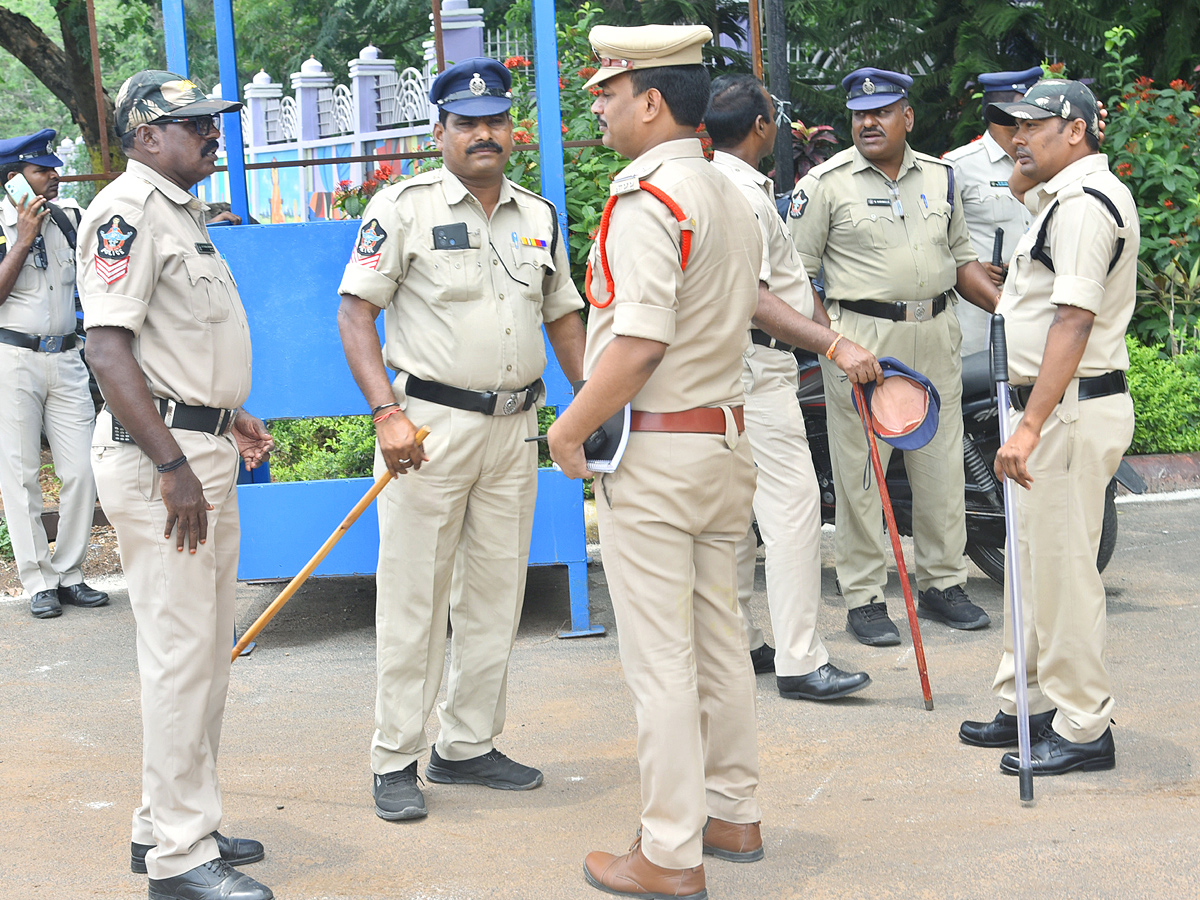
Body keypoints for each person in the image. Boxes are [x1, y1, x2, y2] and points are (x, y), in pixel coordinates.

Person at [336, 57, 586, 823]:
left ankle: (466, 746)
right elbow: (354, 314)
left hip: (515, 429)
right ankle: (395, 757)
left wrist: (596, 405)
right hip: (428, 432)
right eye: (467, 124)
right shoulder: (403, 208)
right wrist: (386, 414)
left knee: (494, 594)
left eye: (495, 121)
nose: (485, 135)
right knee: (413, 597)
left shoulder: (537, 215)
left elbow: (563, 315)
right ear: (440, 132)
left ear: (512, 129)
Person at [548, 24, 764, 898]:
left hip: (661, 448)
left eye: (609, 90)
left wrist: (569, 430)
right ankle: (733, 812)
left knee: (661, 660)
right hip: (723, 440)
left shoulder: (649, 199)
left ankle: (670, 854)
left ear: (650, 101)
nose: (596, 103)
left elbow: (635, 346)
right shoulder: (724, 189)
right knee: (719, 639)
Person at [78, 71, 274, 900]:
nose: (211, 135)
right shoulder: (125, 211)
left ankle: (169, 818)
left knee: (198, 654)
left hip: (199, 446)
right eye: (194, 124)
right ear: (146, 135)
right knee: (182, 657)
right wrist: (172, 464)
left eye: (211, 122)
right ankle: (181, 860)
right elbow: (107, 350)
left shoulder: (178, 213)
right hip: (165, 464)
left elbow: (176, 348)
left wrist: (231, 414)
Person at [960, 80, 1137, 775]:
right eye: (1014, 126)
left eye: (1035, 126)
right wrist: (1025, 172)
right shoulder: (1059, 199)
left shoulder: (1087, 207)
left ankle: (1085, 722)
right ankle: (1029, 702)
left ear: (1079, 131)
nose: (1018, 137)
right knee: (1029, 571)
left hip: (1065, 410)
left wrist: (1029, 425)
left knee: (1062, 574)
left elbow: (1073, 319)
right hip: (1050, 407)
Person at [788, 68, 1001, 647]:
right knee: (862, 475)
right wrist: (832, 339)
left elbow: (961, 261)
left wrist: (1008, 306)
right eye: (860, 113)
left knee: (941, 466)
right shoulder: (826, 184)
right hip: (863, 341)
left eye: (882, 111)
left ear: (907, 117)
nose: (868, 122)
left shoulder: (941, 177)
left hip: (935, 332)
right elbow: (797, 274)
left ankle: (942, 583)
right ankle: (864, 594)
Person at [706, 74, 877, 701]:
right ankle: (802, 661)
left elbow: (787, 288)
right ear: (762, 127)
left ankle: (743, 641)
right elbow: (753, 297)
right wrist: (832, 343)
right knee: (795, 511)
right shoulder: (744, 194)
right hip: (758, 370)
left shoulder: (711, 183)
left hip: (732, 371)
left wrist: (827, 336)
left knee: (732, 519)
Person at [0, 129, 107, 619]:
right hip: (13, 360)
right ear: (13, 179)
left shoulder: (70, 218)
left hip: (67, 359)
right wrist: (21, 239)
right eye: (42, 170)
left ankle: (69, 572)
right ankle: (37, 581)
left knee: (83, 470)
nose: (54, 176)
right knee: (19, 475)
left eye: (52, 167)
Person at [942, 67, 1042, 355]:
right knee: (979, 393)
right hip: (978, 313)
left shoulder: (1045, 164)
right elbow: (933, 239)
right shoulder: (958, 166)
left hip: (1036, 303)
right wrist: (970, 269)